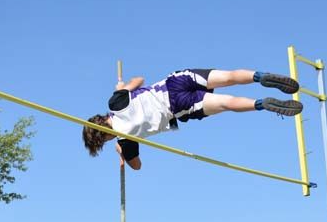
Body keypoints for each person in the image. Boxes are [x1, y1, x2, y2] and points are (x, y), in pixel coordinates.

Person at [82, 68, 302, 170]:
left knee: (227, 103)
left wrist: (122, 152)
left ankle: (262, 104)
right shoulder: (115, 103)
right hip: (175, 82)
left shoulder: (125, 140)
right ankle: (260, 76)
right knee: (228, 77)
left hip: (178, 107)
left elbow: (137, 166)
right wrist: (123, 88)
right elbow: (140, 79)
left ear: (104, 140)